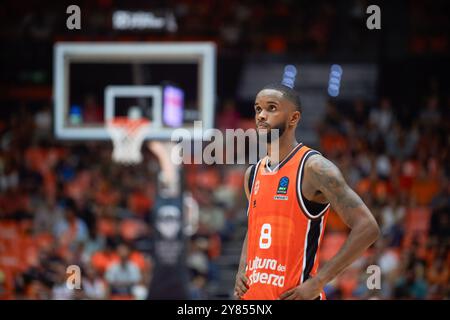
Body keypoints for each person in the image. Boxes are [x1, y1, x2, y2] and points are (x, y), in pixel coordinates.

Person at [234, 66, 380, 300]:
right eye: (258, 109)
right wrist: (243, 266)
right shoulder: (253, 174)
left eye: (271, 108)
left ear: (294, 118)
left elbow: (368, 227)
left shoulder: (315, 168)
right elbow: (255, 227)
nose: (261, 115)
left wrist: (319, 281)